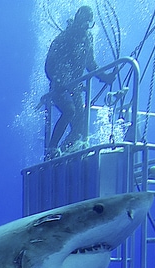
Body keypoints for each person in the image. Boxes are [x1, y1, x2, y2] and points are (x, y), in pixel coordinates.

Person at [42, 5, 115, 159]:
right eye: (82, 22)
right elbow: (48, 65)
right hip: (59, 87)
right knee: (69, 110)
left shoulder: (88, 38)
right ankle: (52, 150)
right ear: (76, 20)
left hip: (75, 87)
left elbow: (91, 64)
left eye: (87, 23)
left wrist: (105, 77)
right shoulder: (63, 38)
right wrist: (57, 79)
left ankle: (64, 153)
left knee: (79, 128)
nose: (84, 27)